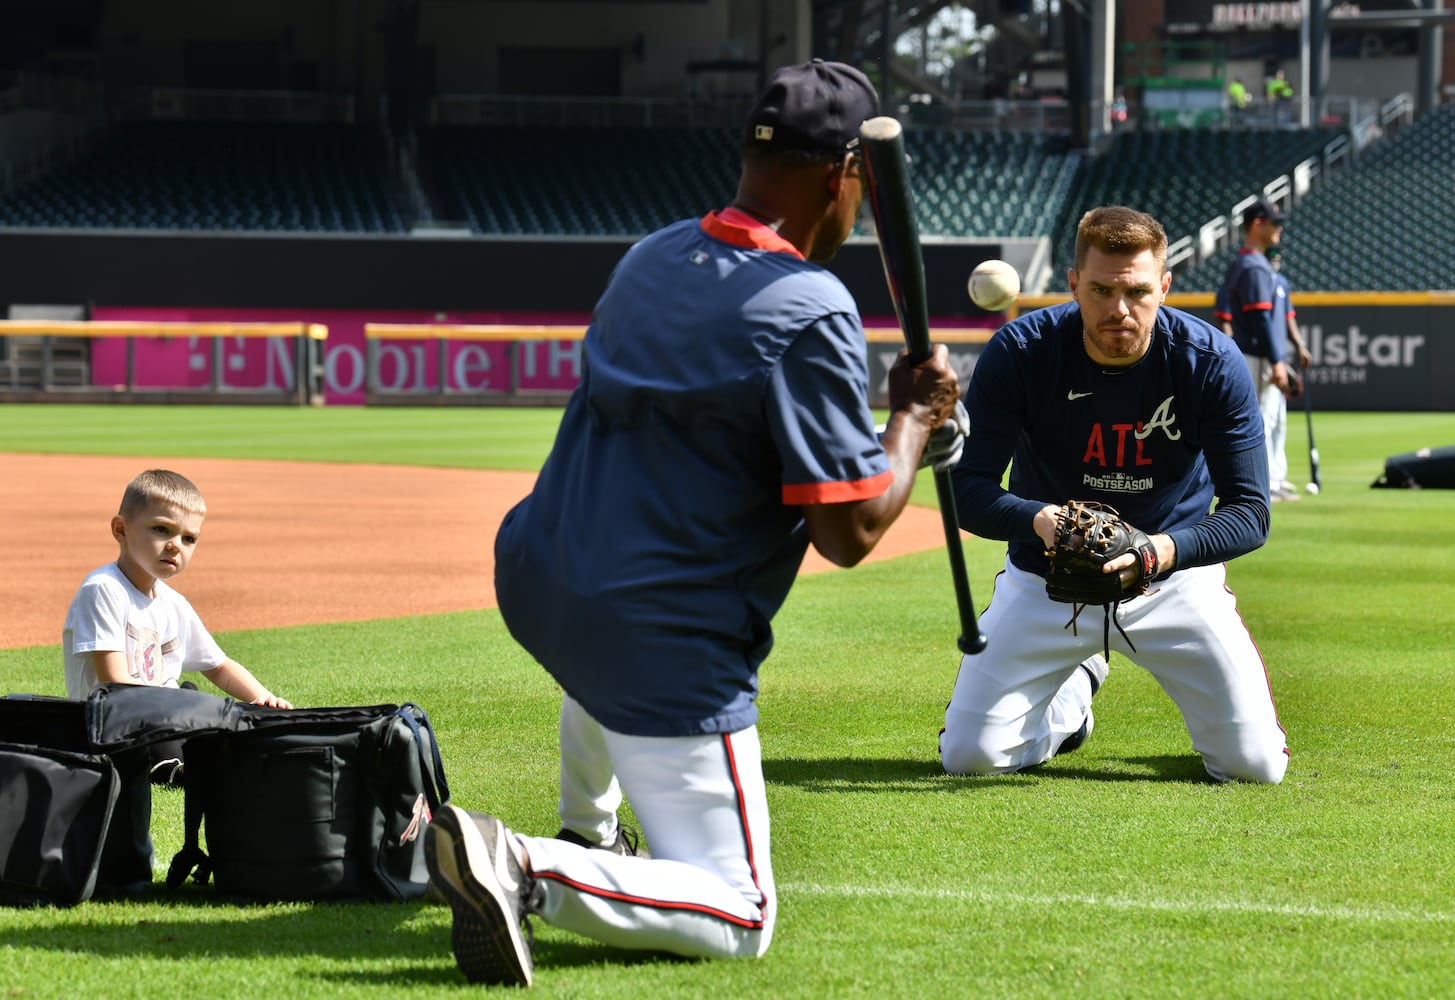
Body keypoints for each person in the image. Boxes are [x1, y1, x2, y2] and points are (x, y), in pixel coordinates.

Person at [426, 59, 962, 987]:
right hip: (653, 635)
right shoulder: (810, 306)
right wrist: (911, 420)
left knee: (598, 644)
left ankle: (587, 830)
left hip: (540, 574)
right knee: (743, 913)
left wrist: (900, 433)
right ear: (848, 179)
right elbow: (850, 531)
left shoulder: (653, 254)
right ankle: (521, 866)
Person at [939, 205, 1288, 786]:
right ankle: (1072, 704)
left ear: (1165, 286)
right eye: (1100, 290)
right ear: (1074, 283)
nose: (1119, 310)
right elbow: (966, 489)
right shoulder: (1022, 351)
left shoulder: (1209, 360)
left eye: (1138, 291)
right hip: (1046, 582)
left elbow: (1251, 513)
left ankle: (1088, 670)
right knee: (969, 757)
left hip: (1172, 586)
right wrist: (1042, 520)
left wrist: (1156, 552)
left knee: (1254, 767)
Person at [63, 469, 293, 781]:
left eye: (189, 539)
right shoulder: (104, 589)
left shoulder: (173, 603)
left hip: (166, 713)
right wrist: (186, 706)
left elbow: (219, 666)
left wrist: (263, 700)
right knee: (186, 715)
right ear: (121, 529)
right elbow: (114, 683)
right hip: (113, 727)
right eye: (161, 529)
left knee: (237, 712)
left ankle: (227, 749)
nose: (176, 546)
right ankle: (173, 768)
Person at [1214, 198, 1302, 502]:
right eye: (1274, 222)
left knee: (1273, 418)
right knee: (1258, 420)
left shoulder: (1259, 265)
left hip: (1263, 354)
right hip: (1254, 353)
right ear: (1257, 224)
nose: (1279, 228)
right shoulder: (1251, 266)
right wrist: (1277, 360)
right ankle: (1261, 483)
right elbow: (1259, 317)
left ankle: (1273, 478)